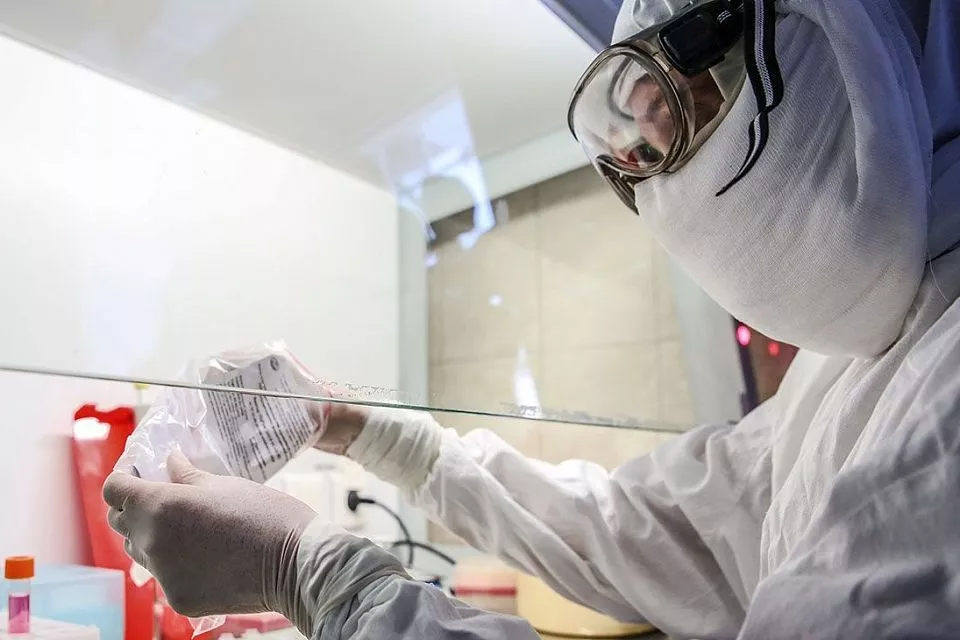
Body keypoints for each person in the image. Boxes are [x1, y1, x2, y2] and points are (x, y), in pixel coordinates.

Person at [103, 0, 960, 637]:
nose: (650, 155)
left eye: (686, 90)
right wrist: (369, 431)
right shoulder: (858, 364)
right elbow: (660, 532)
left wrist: (314, 573)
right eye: (635, 148)